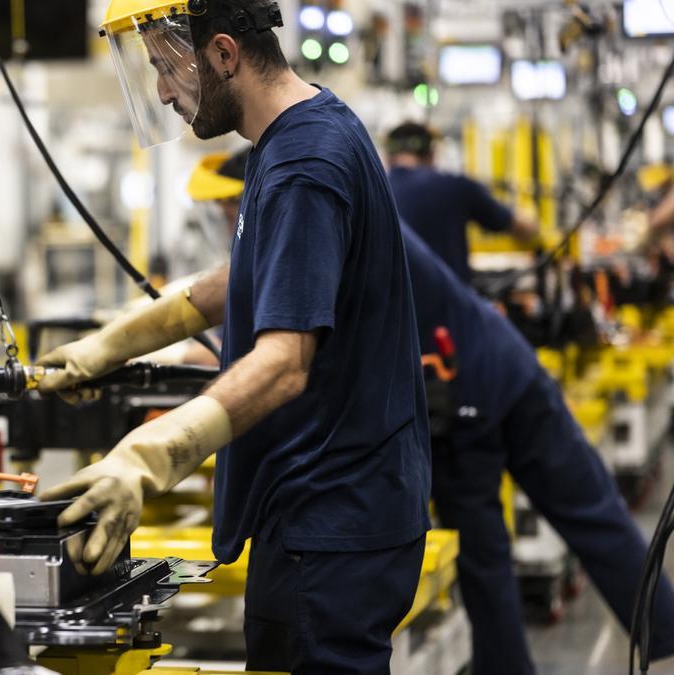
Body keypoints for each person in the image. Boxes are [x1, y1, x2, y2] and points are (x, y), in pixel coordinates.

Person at [37, 1, 432, 673]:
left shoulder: (305, 164)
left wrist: (145, 457)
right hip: (316, 511)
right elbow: (249, 272)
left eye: (167, 67)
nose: (162, 90)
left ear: (223, 55)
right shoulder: (299, 133)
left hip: (334, 523)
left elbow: (283, 364)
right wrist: (112, 342)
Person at [193, 150, 674, 675]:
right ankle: (666, 632)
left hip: (463, 399)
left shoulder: (313, 215)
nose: (226, 221)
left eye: (228, 208)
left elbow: (283, 333)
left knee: (485, 558)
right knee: (591, 512)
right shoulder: (360, 198)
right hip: (507, 367)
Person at [385, 121, 538, 284]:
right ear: (432, 154)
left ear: (388, 157)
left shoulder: (377, 193)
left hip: (393, 305)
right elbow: (523, 227)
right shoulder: (456, 187)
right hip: (449, 303)